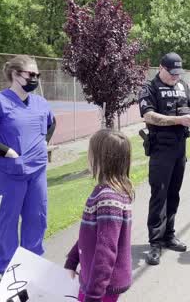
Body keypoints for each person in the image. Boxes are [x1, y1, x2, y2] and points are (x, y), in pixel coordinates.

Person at [0, 55, 56, 276]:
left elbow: (52, 123)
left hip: (37, 171)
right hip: (8, 173)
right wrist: (8, 152)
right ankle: (8, 268)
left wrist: (44, 141)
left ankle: (32, 263)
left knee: (37, 218)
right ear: (14, 74)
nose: (35, 79)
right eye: (31, 74)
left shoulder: (40, 102)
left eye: (37, 75)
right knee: (7, 222)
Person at [137, 52, 190, 266]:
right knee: (160, 195)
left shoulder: (182, 85)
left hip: (179, 148)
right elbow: (148, 116)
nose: (175, 77)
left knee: (174, 193)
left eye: (178, 73)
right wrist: (179, 120)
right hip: (160, 148)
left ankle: (169, 235)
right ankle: (155, 243)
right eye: (171, 73)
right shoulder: (149, 88)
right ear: (161, 68)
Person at [64, 129, 133, 302]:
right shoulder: (103, 192)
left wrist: (93, 296)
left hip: (102, 287)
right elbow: (90, 236)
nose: (88, 156)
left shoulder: (108, 199)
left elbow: (106, 250)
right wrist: (72, 259)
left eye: (90, 152)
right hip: (94, 281)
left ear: (101, 159)